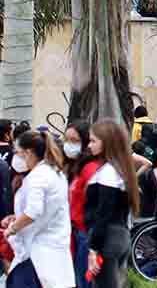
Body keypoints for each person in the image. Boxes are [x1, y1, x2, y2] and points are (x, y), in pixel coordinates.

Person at [2, 129, 74, 288]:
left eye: (18, 152)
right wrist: (17, 216)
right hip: (46, 247)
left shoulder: (38, 177)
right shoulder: (53, 173)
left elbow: (33, 212)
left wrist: (12, 228)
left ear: (28, 153)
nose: (16, 157)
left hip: (38, 249)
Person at [83, 120, 140, 288]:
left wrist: (94, 249)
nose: (89, 145)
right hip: (118, 235)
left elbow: (103, 214)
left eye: (93, 141)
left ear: (107, 143)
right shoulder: (118, 170)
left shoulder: (109, 172)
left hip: (107, 238)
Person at [64, 120, 97, 288]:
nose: (69, 145)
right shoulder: (74, 167)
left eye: (74, 141)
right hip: (76, 232)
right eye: (67, 140)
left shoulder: (89, 168)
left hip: (86, 233)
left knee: (83, 280)